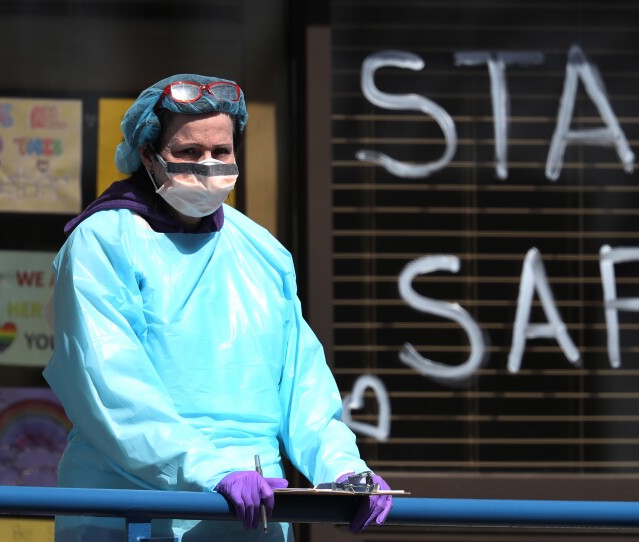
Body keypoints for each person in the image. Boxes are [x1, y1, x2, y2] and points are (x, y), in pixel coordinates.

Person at [43, 74, 392, 541]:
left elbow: (302, 382)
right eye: (189, 151)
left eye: (221, 151)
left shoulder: (261, 249)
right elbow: (110, 386)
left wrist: (344, 469)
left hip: (255, 509)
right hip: (133, 511)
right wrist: (211, 472)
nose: (208, 164)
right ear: (147, 154)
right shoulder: (103, 242)